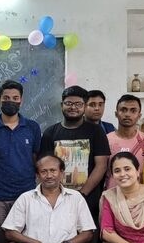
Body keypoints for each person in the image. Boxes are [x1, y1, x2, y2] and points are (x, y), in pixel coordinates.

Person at [0, 80, 41, 243]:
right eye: (6, 98)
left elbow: (36, 159)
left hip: (27, 195)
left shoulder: (33, 128)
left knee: (27, 241)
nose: (11, 101)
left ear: (21, 100)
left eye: (15, 98)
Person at [40, 85, 110, 225]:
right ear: (62, 105)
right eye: (69, 103)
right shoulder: (50, 133)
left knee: (87, 236)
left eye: (78, 104)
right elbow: (45, 167)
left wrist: (81, 194)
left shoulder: (96, 132)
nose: (73, 107)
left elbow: (101, 166)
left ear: (84, 106)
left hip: (88, 199)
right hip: (57, 199)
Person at [2, 155, 95, 243]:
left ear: (62, 173)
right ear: (37, 175)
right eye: (43, 172)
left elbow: (87, 232)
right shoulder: (26, 198)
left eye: (53, 170)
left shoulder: (76, 198)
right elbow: (10, 232)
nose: (49, 176)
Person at [104, 94, 144, 190]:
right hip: (112, 195)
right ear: (116, 114)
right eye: (123, 110)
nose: (127, 114)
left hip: (141, 195)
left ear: (139, 115)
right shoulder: (105, 140)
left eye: (133, 111)